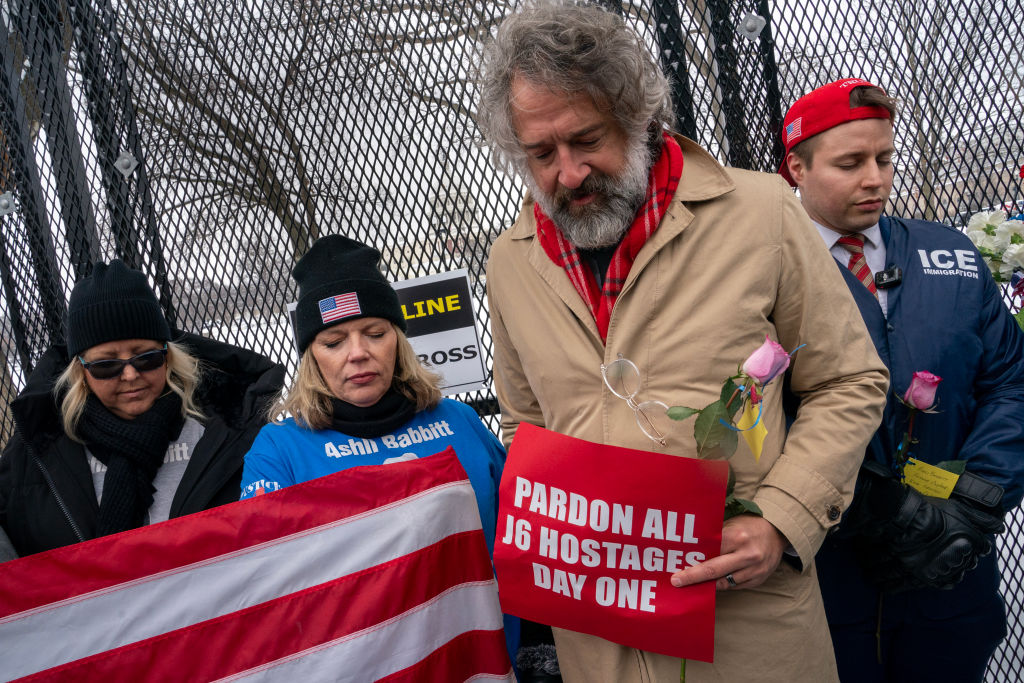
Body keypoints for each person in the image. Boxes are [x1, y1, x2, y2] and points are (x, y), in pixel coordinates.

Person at [477, 2, 889, 681]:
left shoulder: (760, 215)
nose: (569, 173)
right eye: (541, 154)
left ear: (637, 117)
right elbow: (528, 422)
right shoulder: (510, 262)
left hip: (750, 631)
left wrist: (783, 519)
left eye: (587, 139)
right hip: (600, 637)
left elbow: (849, 379)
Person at [780, 78, 1024, 682]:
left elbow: (1010, 381)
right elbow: (751, 411)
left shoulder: (954, 256)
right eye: (850, 163)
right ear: (796, 167)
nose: (875, 179)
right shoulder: (767, 270)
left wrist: (970, 503)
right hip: (831, 580)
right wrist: (863, 505)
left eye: (885, 159)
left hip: (950, 572)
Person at [238, 234, 517, 654]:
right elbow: (269, 585)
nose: (358, 353)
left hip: (487, 657)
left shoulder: (458, 420)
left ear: (398, 341)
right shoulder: (279, 451)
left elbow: (521, 530)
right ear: (311, 356)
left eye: (374, 333)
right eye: (333, 342)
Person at [0, 259, 285, 557]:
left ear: (168, 356)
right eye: (106, 365)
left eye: (146, 357)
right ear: (81, 371)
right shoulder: (37, 449)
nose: (130, 375)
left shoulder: (229, 425)